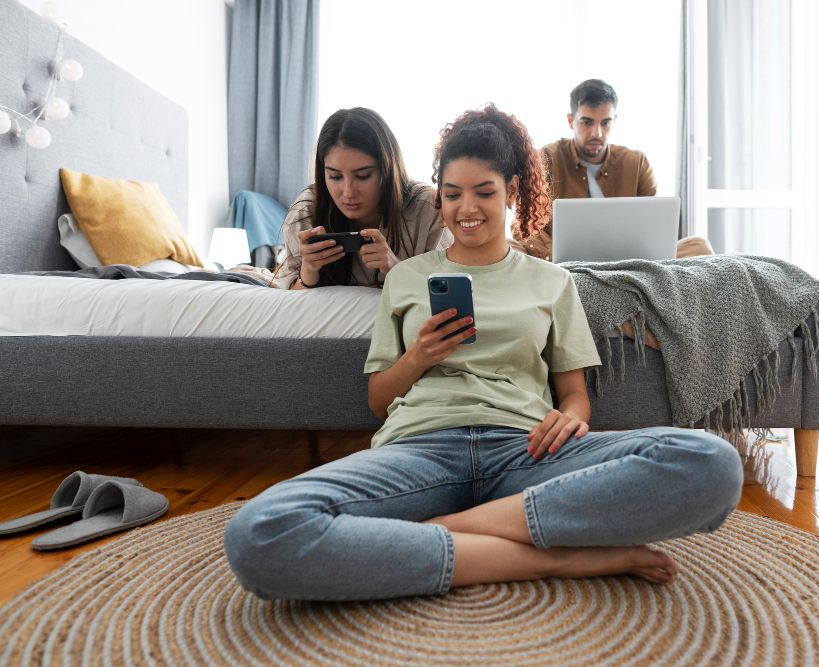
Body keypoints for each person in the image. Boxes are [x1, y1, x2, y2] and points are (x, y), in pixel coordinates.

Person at [224, 104, 743, 602]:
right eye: (452, 195)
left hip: (527, 448)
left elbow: (574, 394)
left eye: (483, 192)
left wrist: (571, 419)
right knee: (260, 531)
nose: (466, 209)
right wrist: (419, 356)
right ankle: (554, 557)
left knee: (711, 462)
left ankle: (447, 533)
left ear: (510, 191)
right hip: (422, 448)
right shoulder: (405, 276)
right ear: (439, 201)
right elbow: (379, 401)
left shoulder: (553, 281)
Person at [512, 79, 712, 261]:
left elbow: (653, 228)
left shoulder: (637, 162)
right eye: (586, 122)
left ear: (614, 120)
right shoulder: (545, 159)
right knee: (508, 248)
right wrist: (555, 258)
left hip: (629, 258)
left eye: (605, 123)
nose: (597, 133)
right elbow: (522, 226)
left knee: (700, 246)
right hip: (560, 259)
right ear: (571, 120)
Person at [275, 107, 452, 289]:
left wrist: (395, 267)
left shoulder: (426, 206)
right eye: (335, 177)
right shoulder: (309, 207)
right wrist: (309, 269)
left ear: (388, 170)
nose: (348, 192)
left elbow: (444, 293)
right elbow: (290, 301)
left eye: (363, 176)